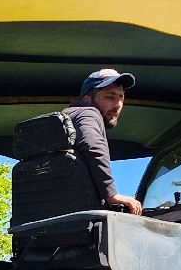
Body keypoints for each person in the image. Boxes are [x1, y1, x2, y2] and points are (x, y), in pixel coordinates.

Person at [59, 69, 145, 216]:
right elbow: (92, 146)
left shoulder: (62, 121)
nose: (118, 105)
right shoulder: (88, 112)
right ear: (87, 100)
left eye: (121, 97)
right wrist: (112, 195)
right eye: (109, 97)